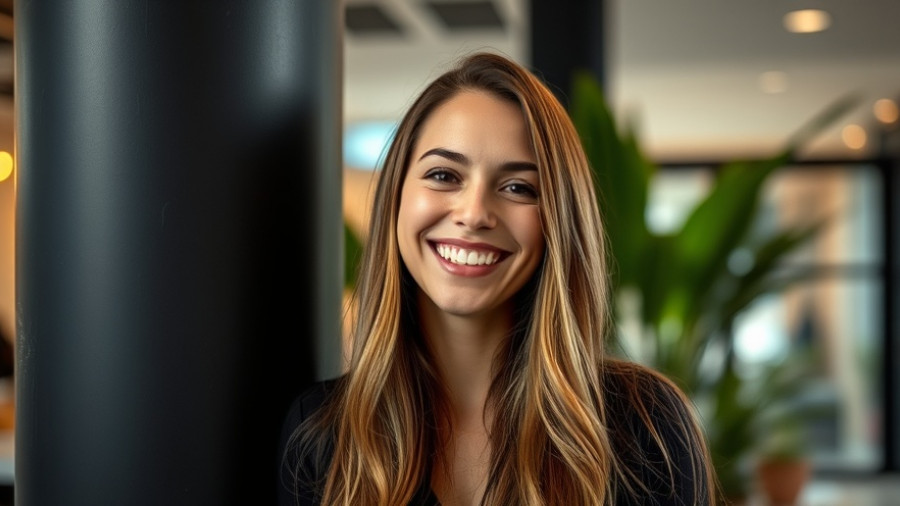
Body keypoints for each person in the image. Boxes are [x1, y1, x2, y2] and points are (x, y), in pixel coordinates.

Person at [278, 51, 717, 506]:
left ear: (559, 222)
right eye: (444, 175)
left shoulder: (647, 427)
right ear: (396, 197)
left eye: (518, 187)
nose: (473, 214)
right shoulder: (322, 434)